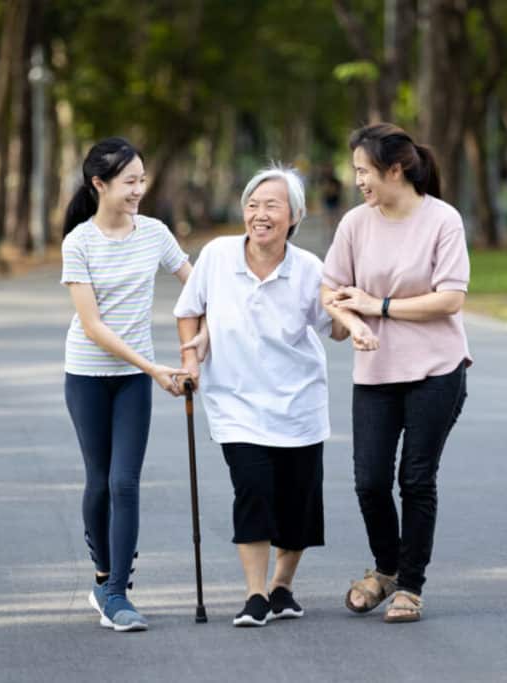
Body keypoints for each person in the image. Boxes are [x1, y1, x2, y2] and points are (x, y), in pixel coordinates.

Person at [174, 165, 348, 627]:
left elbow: (337, 330)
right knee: (251, 490)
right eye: (252, 205)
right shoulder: (216, 256)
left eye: (272, 206)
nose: (259, 214)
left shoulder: (310, 270)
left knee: (297, 502)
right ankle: (254, 595)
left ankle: (282, 587)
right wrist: (191, 362)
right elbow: (189, 311)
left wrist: (353, 306)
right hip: (236, 403)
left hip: (298, 404)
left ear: (294, 216)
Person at [321, 123, 470, 624]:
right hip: (376, 372)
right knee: (369, 481)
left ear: (395, 169)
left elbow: (450, 298)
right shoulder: (354, 224)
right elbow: (331, 292)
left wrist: (377, 306)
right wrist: (350, 323)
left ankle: (409, 585)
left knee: (416, 479)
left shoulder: (442, 220)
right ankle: (385, 569)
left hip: (437, 369)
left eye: (364, 171)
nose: (358, 180)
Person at [61, 136, 203, 632]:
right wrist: (154, 367)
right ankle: (102, 574)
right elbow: (95, 328)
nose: (139, 189)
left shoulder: (155, 233)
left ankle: (117, 592)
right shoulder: (78, 243)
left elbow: (200, 284)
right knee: (99, 480)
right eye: (129, 182)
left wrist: (201, 337)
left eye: (142, 180)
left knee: (125, 482)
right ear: (99, 184)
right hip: (87, 375)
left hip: (133, 379)